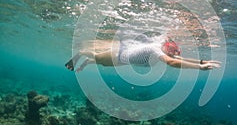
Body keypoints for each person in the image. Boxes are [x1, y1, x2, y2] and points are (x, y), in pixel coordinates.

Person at [65, 37, 221, 72]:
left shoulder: (163, 51)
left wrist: (201, 61)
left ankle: (85, 62)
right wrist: (200, 68)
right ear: (166, 46)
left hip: (122, 61)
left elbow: (179, 59)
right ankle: (79, 54)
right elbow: (173, 63)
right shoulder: (155, 49)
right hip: (118, 54)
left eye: (175, 51)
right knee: (97, 56)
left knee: (101, 63)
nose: (174, 53)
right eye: (172, 49)